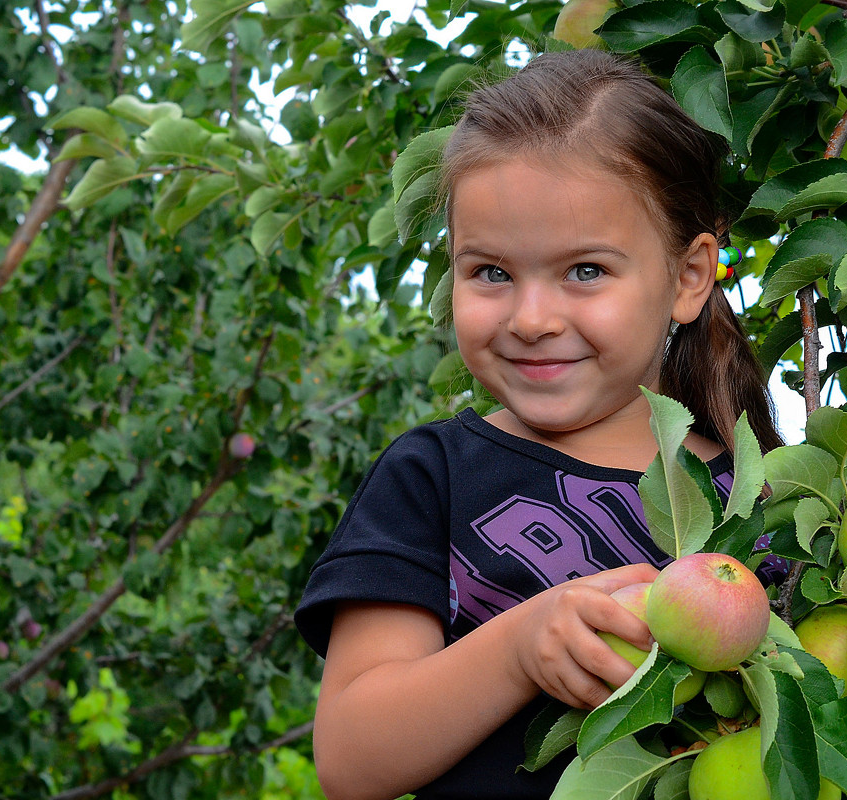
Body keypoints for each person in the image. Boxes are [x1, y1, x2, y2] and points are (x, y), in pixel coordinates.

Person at [294, 49, 787, 800]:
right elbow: (351, 759)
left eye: (585, 271)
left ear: (689, 278)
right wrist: (520, 648)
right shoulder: (434, 475)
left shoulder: (755, 499)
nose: (531, 320)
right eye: (490, 272)